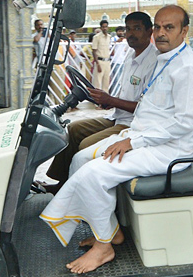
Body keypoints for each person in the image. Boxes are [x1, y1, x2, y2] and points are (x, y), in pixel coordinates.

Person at [40, 5, 193, 274]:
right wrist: (129, 135)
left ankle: (104, 248)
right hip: (143, 136)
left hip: (168, 150)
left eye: (169, 27)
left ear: (184, 31)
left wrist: (132, 142)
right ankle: (108, 232)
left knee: (93, 173)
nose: (162, 33)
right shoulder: (165, 59)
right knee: (81, 158)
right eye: (158, 27)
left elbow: (184, 124)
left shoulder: (187, 69)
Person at [43, 12, 158, 193]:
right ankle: (61, 183)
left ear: (150, 31)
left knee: (85, 145)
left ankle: (78, 193)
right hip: (117, 116)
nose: (130, 34)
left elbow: (146, 107)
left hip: (133, 124)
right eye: (128, 29)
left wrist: (111, 100)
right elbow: (125, 94)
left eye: (137, 28)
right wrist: (108, 102)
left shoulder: (154, 62)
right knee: (72, 129)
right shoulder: (130, 55)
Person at [92, 21, 111, 91]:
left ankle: (105, 101)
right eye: (103, 27)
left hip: (107, 61)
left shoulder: (109, 37)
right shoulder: (97, 37)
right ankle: (96, 101)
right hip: (100, 61)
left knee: (106, 83)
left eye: (106, 27)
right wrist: (97, 64)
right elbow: (94, 51)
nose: (105, 28)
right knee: (97, 82)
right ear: (101, 28)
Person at [110, 26, 129, 94]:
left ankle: (119, 93)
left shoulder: (125, 40)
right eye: (119, 31)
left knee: (121, 80)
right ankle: (114, 94)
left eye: (122, 31)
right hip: (115, 61)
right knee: (116, 79)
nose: (120, 33)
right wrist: (117, 42)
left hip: (122, 62)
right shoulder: (113, 39)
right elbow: (110, 48)